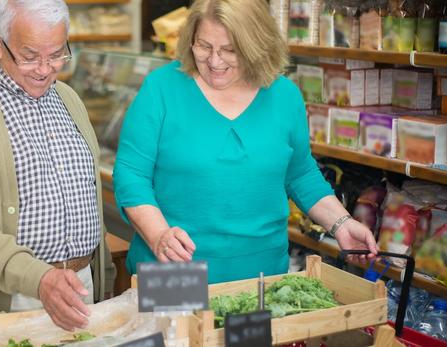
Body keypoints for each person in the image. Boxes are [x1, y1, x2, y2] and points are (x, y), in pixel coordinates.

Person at [113, 0, 378, 284]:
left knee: (248, 330)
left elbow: (299, 173)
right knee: (176, 332)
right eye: (204, 46)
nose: (215, 61)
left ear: (256, 45)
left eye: (230, 50)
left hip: (261, 275)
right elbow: (131, 175)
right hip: (174, 272)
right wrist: (158, 236)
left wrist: (342, 223)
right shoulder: (161, 89)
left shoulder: (284, 96)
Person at [0, 0, 115, 331]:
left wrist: (101, 276)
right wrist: (39, 277)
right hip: (9, 297)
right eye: (30, 56)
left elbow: (87, 198)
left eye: (57, 54)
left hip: (80, 288)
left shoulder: (69, 99)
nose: (45, 69)